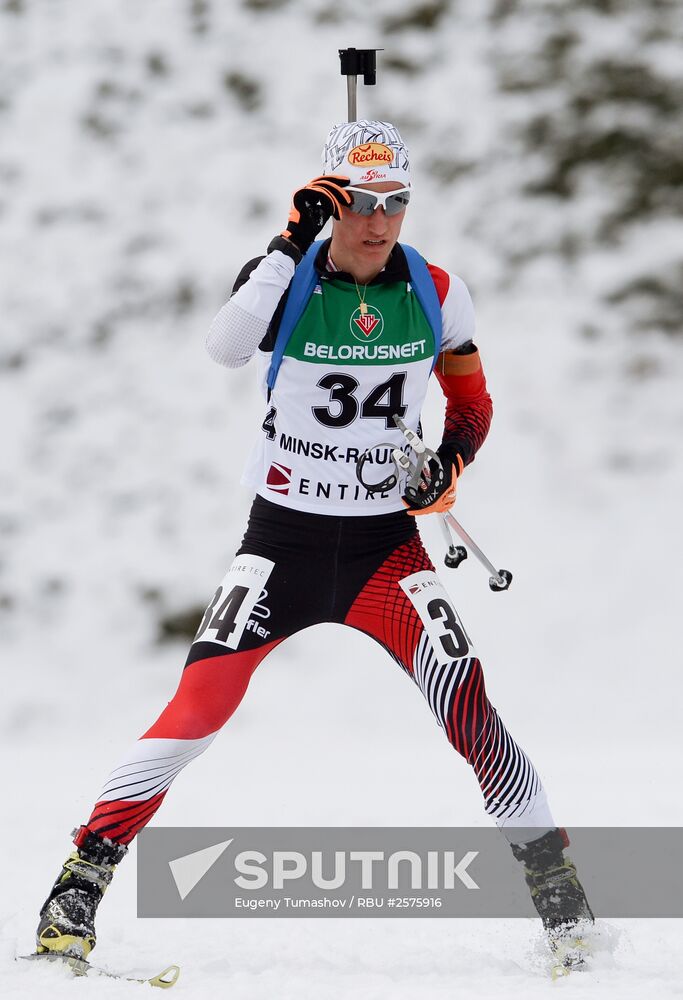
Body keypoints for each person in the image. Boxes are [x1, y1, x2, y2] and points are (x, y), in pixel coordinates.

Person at [35, 120, 593, 970]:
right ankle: (76, 888)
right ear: (329, 201)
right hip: (282, 545)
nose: (377, 222)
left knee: (470, 712)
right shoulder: (284, 279)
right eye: (359, 203)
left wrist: (448, 462)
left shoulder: (439, 290)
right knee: (195, 712)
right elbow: (224, 347)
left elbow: (471, 403)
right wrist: (288, 239)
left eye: (394, 203)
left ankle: (561, 898)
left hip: (382, 551)